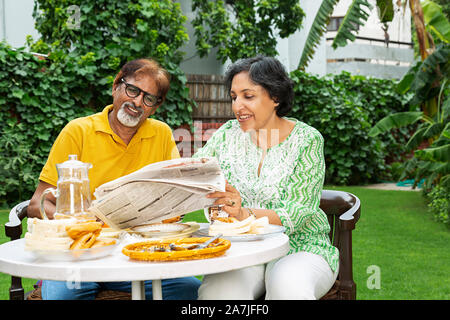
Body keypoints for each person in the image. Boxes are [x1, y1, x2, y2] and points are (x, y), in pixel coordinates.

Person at [27, 58, 201, 300]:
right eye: (133, 90)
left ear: (155, 106)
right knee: (61, 297)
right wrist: (82, 222)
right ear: (116, 86)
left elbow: (174, 198)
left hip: (137, 257)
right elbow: (37, 204)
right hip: (80, 257)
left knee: (191, 291)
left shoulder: (161, 133)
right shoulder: (78, 131)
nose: (138, 102)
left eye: (149, 98)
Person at [193, 56, 339, 300]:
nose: (237, 106)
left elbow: (299, 212)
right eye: (233, 97)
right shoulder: (227, 134)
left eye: (248, 96)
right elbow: (196, 174)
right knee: (219, 292)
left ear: (275, 97)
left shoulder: (307, 140)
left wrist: (244, 214)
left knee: (288, 287)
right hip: (242, 247)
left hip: (300, 246)